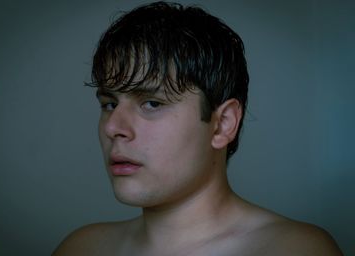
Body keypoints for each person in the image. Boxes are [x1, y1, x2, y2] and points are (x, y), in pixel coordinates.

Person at [53, 2, 343, 255]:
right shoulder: (81, 248)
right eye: (109, 104)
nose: (113, 127)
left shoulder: (295, 251)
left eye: (152, 103)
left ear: (222, 124)